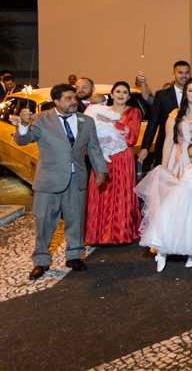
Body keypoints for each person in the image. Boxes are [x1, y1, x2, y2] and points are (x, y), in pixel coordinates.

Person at [10, 84, 107, 280]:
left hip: (77, 178)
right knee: (45, 221)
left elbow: (94, 148)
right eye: (68, 99)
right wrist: (24, 125)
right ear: (56, 101)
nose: (74, 102)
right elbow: (23, 140)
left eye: (74, 98)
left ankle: (74, 256)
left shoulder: (86, 120)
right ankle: (41, 261)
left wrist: (100, 170)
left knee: (75, 220)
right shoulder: (40, 119)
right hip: (49, 180)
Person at [135, 138, 192, 271]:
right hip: (178, 197)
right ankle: (162, 252)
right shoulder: (189, 167)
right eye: (191, 156)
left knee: (191, 226)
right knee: (170, 222)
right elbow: (180, 181)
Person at [83, 82, 142, 245]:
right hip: (102, 155)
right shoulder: (101, 109)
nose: (121, 94)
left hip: (123, 156)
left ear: (128, 96)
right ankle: (98, 234)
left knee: (121, 192)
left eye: (125, 92)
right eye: (118, 91)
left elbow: (132, 136)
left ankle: (120, 234)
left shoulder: (134, 112)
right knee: (101, 190)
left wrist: (112, 122)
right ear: (112, 94)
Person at [138, 61, 191, 167]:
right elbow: (153, 123)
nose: (184, 76)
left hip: (189, 147)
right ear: (173, 74)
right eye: (180, 72)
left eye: (187, 73)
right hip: (165, 145)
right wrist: (145, 147)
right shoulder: (162, 95)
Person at [82, 93, 128, 162]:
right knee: (113, 139)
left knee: (100, 144)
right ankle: (106, 154)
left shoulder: (88, 109)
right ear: (104, 102)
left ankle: (100, 154)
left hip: (93, 131)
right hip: (103, 130)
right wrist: (119, 116)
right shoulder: (104, 108)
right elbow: (112, 116)